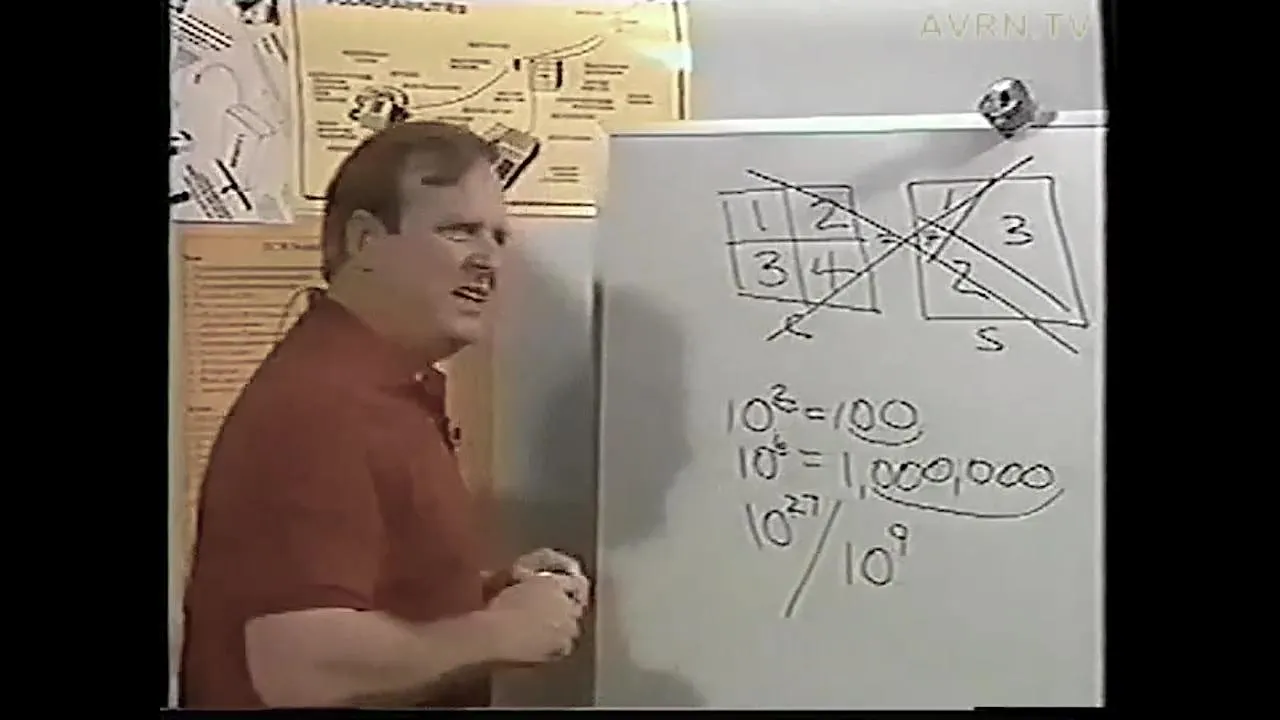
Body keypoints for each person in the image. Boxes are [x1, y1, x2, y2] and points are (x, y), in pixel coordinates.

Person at [181, 121, 591, 709]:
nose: (488, 260)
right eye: (459, 231)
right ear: (365, 241)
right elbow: (294, 664)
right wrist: (497, 632)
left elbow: (346, 603)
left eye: (499, 237)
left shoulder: (386, 393)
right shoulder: (322, 407)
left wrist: (482, 596)